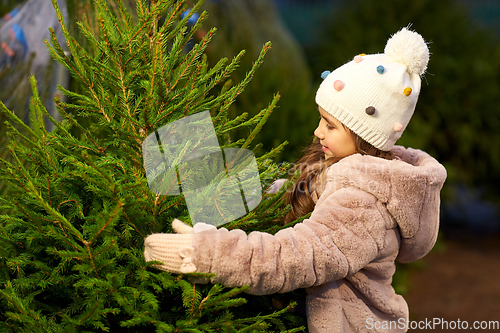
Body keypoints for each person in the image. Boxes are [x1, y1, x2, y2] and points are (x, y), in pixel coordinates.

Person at [144, 27, 447, 333]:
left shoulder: (363, 205)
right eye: (321, 119)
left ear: (363, 135)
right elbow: (288, 193)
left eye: (330, 125)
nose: (318, 131)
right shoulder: (333, 167)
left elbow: (296, 256)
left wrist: (208, 254)